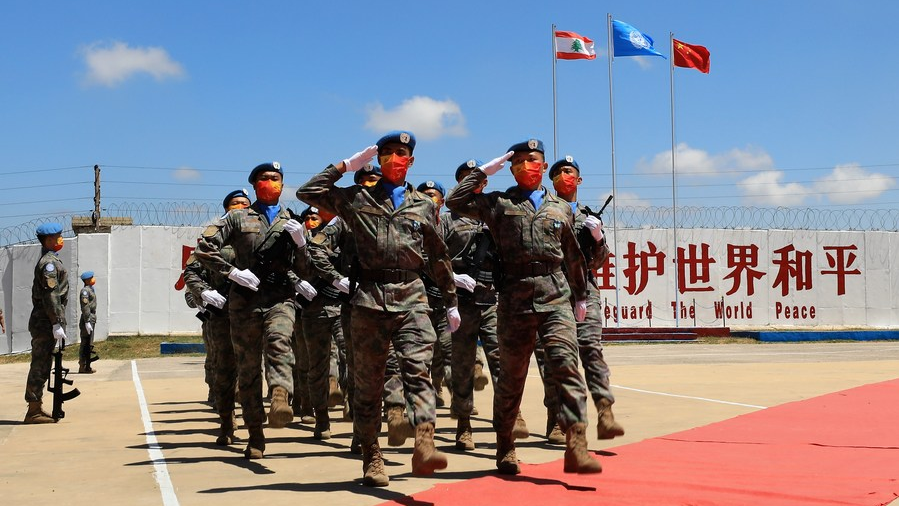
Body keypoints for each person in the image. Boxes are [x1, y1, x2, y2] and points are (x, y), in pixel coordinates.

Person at [297, 130, 460, 487]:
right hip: (368, 299)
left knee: (418, 370)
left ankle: (425, 443)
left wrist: (450, 300)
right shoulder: (357, 198)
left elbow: (438, 255)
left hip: (412, 294)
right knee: (368, 384)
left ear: (411, 161)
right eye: (385, 153)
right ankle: (371, 454)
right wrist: (346, 165)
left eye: (400, 153)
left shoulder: (424, 205)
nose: (393, 159)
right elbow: (307, 193)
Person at [445, 139, 602, 475]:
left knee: (566, 369)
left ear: (544, 166)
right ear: (511, 168)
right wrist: (484, 171)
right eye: (518, 162)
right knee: (512, 378)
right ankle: (505, 445)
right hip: (514, 298)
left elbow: (573, 256)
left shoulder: (560, 207)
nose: (526, 166)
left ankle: (577, 442)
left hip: (555, 296)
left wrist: (580, 297)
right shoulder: (498, 203)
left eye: (533, 160)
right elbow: (454, 200)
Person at [195, 162, 310, 459]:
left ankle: (281, 396)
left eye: (275, 179)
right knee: (246, 372)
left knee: (280, 341)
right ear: (255, 183)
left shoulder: (293, 222)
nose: (269, 182)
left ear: (283, 185)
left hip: (280, 298)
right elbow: (204, 248)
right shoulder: (237, 218)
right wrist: (233, 272)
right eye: (263, 179)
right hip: (244, 302)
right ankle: (255, 434)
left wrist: (301, 244)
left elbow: (307, 269)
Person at [543, 155, 624, 441]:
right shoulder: (543, 213)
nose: (564, 176)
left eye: (569, 171)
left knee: (591, 348)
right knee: (557, 359)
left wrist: (598, 237)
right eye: (558, 173)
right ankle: (557, 419)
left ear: (579, 180)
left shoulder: (589, 216)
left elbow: (600, 261)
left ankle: (605, 411)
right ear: (551, 181)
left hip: (585, 290)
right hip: (553, 290)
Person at [183, 188, 249, 445]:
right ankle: (227, 421)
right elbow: (192, 272)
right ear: (226, 208)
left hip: (252, 311)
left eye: (245, 203)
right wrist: (205, 293)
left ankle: (254, 428)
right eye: (235, 204)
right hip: (221, 312)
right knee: (224, 367)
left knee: (252, 367)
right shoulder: (213, 238)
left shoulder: (262, 236)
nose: (241, 207)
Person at [23, 222, 69, 424]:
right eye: (58, 236)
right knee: (40, 364)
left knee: (44, 363)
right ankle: (33, 410)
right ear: (49, 239)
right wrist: (56, 322)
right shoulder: (49, 264)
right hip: (45, 322)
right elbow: (52, 296)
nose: (61, 239)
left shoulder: (50, 260)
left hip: (45, 321)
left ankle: (36, 407)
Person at [417, 180, 453, 408]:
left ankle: (440, 386)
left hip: (447, 298)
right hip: (421, 297)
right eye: (425, 194)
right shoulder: (414, 222)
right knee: (422, 350)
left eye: (434, 194)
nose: (431, 198)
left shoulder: (450, 223)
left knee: (446, 348)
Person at [78, 271, 98, 374]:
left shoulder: (90, 289)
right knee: (85, 342)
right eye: (91, 278)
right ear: (86, 280)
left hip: (91, 317)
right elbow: (85, 307)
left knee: (89, 343)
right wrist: (87, 321)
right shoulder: (85, 291)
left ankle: (87, 366)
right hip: (88, 318)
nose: (93, 279)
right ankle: (83, 365)